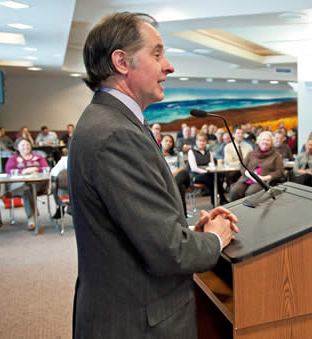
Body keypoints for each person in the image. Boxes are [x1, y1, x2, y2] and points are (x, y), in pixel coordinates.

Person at [69, 12, 238, 338]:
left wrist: (190, 231)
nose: (169, 66)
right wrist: (215, 238)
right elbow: (168, 252)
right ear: (122, 61)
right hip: (135, 321)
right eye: (157, 54)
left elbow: (129, 225)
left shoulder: (111, 122)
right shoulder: (115, 133)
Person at [5, 138, 49, 230]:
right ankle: (31, 217)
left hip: (39, 184)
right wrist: (24, 170)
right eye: (23, 145)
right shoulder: (13, 158)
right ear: (17, 147)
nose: (26, 147)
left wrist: (36, 169)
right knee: (26, 189)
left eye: (27, 144)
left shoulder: (38, 157)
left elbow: (45, 168)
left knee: (27, 188)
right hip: (21, 185)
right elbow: (9, 170)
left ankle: (31, 217)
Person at [229, 131, 284, 201]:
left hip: (263, 181)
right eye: (263, 139)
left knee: (251, 193)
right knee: (235, 191)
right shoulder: (251, 153)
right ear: (259, 141)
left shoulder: (276, 155)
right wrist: (249, 174)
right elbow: (242, 167)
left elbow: (280, 171)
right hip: (247, 178)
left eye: (268, 140)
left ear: (271, 142)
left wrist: (264, 178)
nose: (265, 142)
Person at [188, 132, 228, 206]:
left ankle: (218, 200)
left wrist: (210, 171)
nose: (202, 143)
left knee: (218, 175)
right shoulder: (191, 152)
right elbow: (194, 168)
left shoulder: (208, 152)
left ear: (206, 142)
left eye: (203, 141)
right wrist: (206, 171)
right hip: (196, 175)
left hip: (209, 174)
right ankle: (219, 199)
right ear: (196, 142)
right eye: (200, 141)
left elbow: (212, 164)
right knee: (211, 177)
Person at [161, 135, 191, 216]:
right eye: (166, 141)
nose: (168, 143)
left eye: (170, 141)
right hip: (168, 180)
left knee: (183, 173)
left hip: (180, 176)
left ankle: (176, 214)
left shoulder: (177, 154)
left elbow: (183, 167)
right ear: (161, 142)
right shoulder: (158, 156)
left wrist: (173, 174)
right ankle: (184, 216)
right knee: (181, 187)